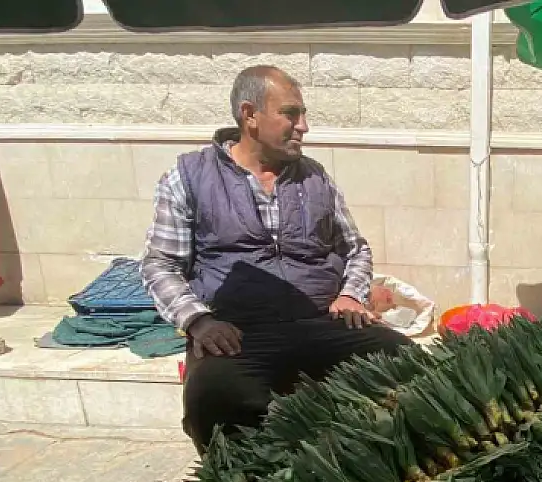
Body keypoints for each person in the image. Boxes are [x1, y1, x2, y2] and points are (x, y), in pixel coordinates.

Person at [141, 65, 412, 453]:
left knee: (408, 366)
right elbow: (160, 263)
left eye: (302, 115)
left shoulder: (314, 176)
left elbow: (354, 248)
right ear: (249, 115)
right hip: (239, 334)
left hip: (322, 321)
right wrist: (198, 321)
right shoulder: (189, 176)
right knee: (217, 401)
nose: (303, 126)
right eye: (291, 113)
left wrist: (351, 294)